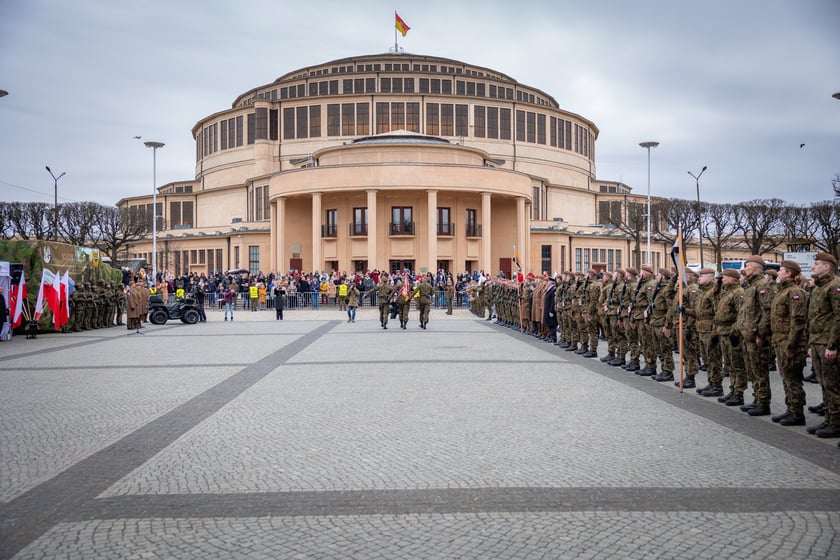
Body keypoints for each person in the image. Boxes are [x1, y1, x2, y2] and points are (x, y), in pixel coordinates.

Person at [769, 260, 808, 426]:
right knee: (786, 377)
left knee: (793, 379)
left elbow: (797, 322)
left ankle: (797, 413)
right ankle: (790, 409)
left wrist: (791, 345)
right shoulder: (782, 291)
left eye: (782, 271)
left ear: (789, 273)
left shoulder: (794, 292)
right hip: (781, 340)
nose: (778, 273)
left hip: (791, 343)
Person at [806, 252, 840, 440]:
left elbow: (838, 317)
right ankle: (829, 418)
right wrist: (811, 344)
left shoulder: (834, 286)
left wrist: (832, 345)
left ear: (827, 266)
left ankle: (836, 422)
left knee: (833, 384)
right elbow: (814, 318)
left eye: (817, 264)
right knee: (824, 383)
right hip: (817, 341)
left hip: (828, 343)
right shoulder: (819, 287)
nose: (813, 267)